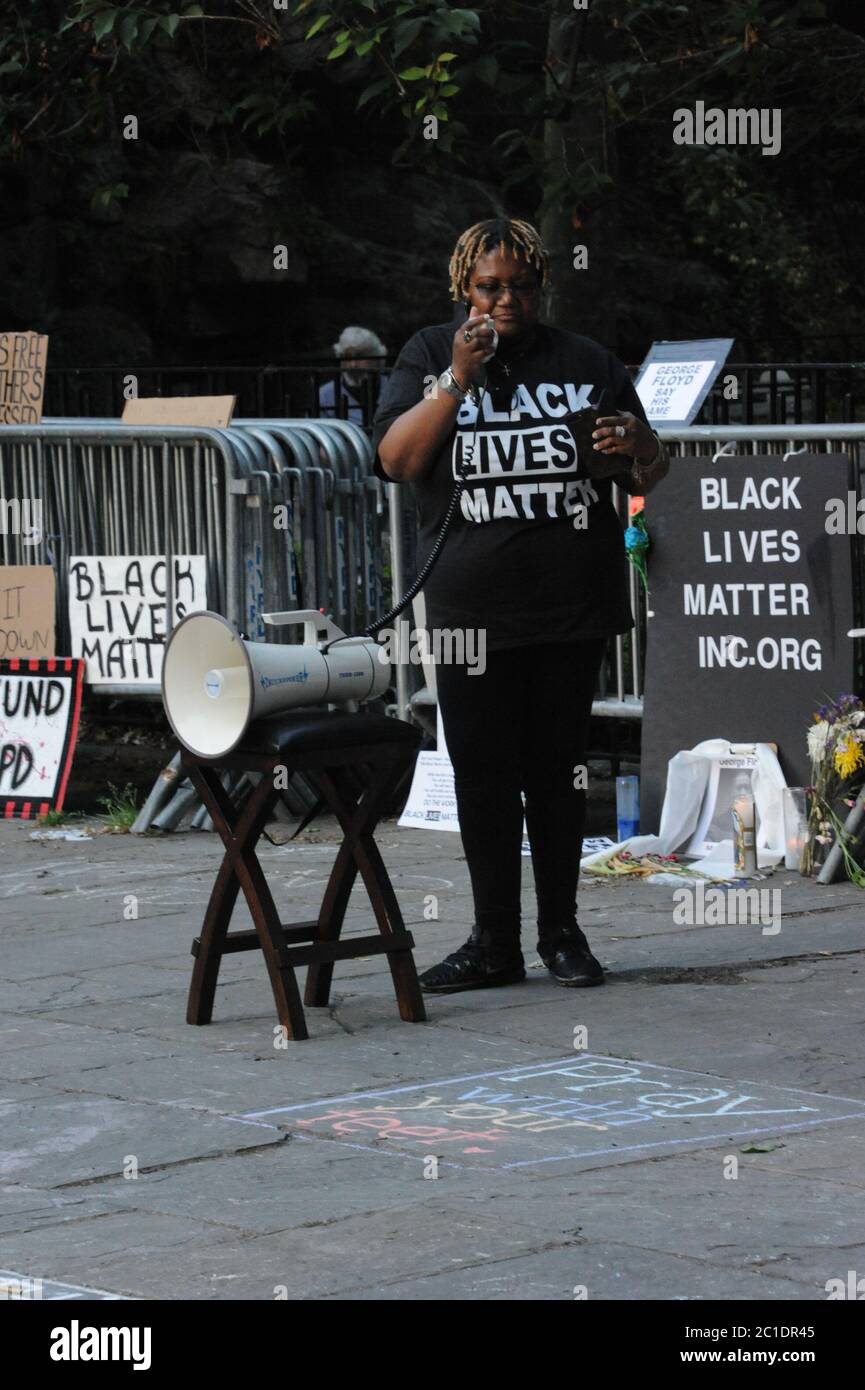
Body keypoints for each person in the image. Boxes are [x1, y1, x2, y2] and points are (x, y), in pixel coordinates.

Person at [372, 216, 669, 993]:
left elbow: (647, 475)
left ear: (541, 288)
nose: (506, 301)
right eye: (489, 288)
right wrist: (458, 379)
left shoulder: (583, 359)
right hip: (472, 609)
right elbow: (397, 459)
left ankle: (562, 934)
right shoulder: (429, 354)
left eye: (520, 288)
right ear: (461, 290)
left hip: (569, 602)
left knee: (557, 773)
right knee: (482, 775)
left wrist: (637, 444)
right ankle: (492, 942)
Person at [318, 326, 388, 425]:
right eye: (347, 357)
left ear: (377, 358)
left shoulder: (393, 387)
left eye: (360, 356)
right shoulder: (325, 395)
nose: (353, 364)